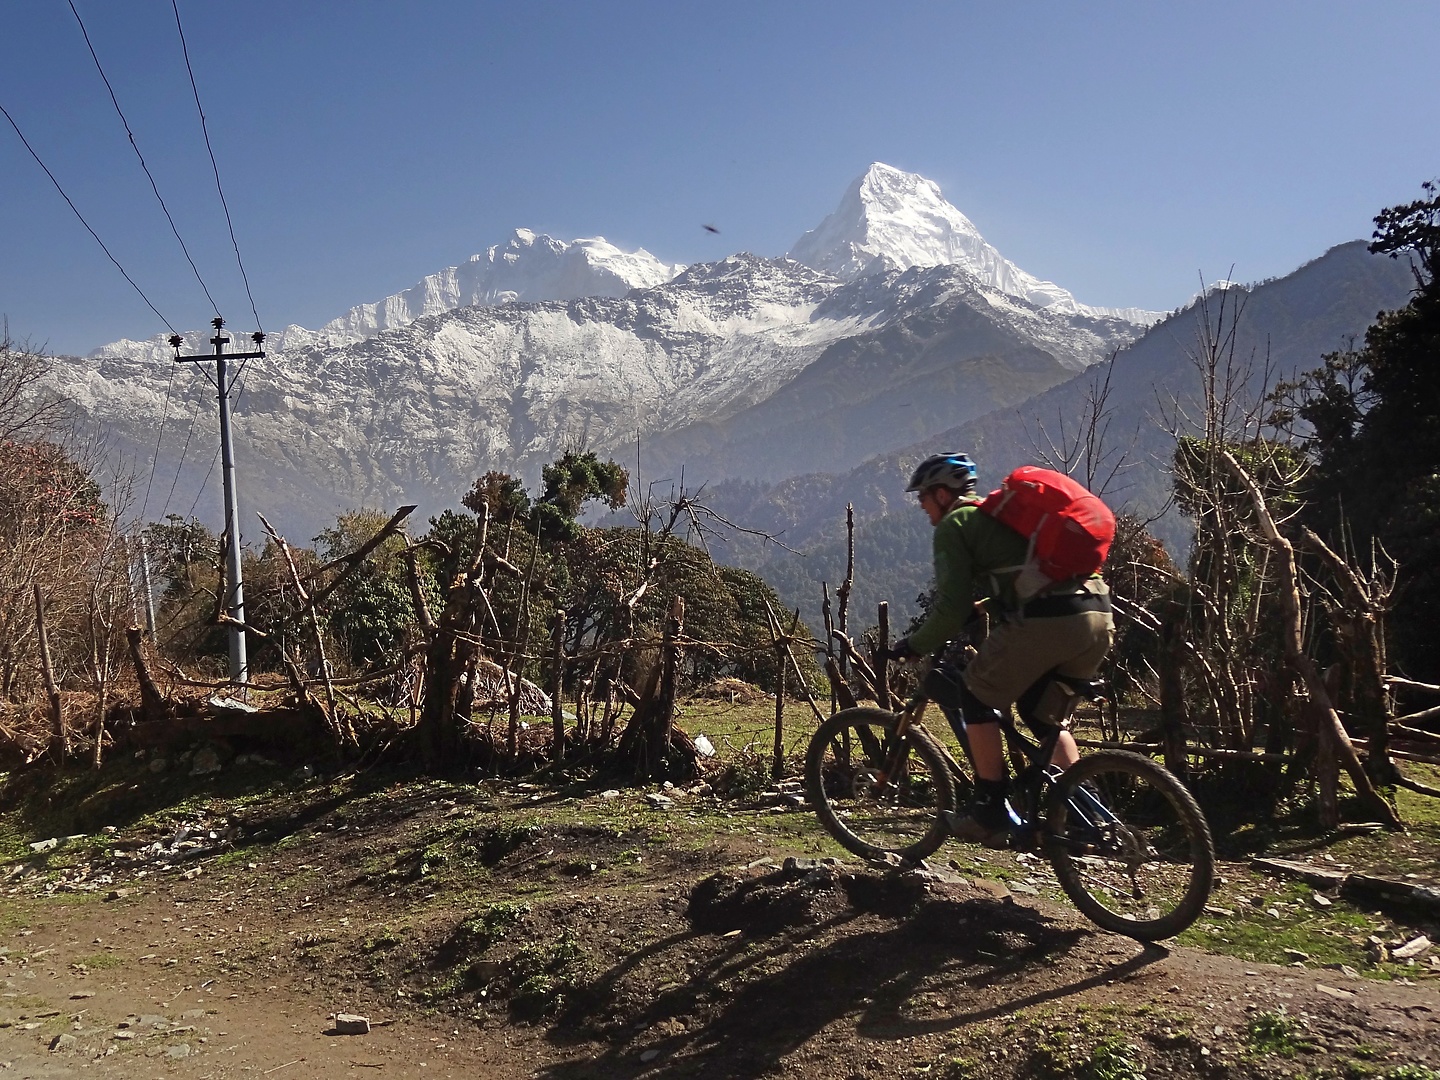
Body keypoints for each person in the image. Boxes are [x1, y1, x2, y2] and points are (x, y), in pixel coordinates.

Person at [888, 453, 1115, 846]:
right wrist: (988, 606)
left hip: (1051, 621)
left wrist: (915, 644)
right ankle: (1083, 811)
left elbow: (950, 606)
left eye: (923, 498)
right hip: (1096, 614)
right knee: (1039, 714)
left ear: (942, 494)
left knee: (974, 693)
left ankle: (989, 808)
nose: (922, 508)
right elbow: (1030, 575)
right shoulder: (1002, 517)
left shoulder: (956, 524)